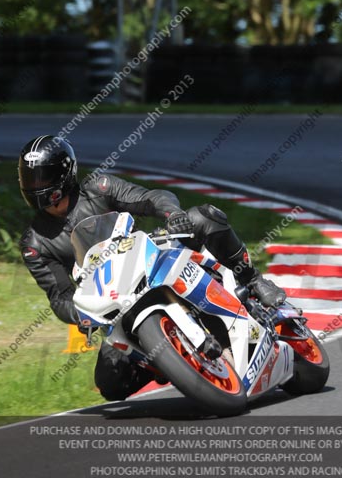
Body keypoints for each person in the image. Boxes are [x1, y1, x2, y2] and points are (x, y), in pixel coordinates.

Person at [18, 134, 286, 401]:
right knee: (110, 384)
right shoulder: (34, 242)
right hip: (113, 302)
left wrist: (173, 214)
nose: (35, 185)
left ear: (64, 173)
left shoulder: (99, 187)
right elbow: (60, 297)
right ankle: (166, 361)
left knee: (202, 217)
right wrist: (83, 316)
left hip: (148, 261)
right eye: (29, 178)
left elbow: (149, 197)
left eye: (42, 177)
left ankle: (253, 280)